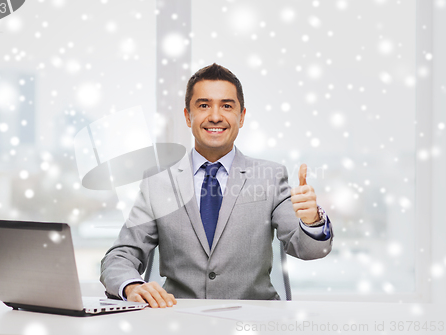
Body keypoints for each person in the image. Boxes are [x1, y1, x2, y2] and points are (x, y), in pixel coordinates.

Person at [100, 63, 333, 308]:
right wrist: (131, 286)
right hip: (179, 321)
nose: (215, 116)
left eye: (227, 106)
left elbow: (309, 250)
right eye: (203, 105)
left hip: (253, 323)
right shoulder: (158, 183)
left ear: (241, 117)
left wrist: (312, 222)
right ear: (188, 116)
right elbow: (119, 256)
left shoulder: (270, 176)